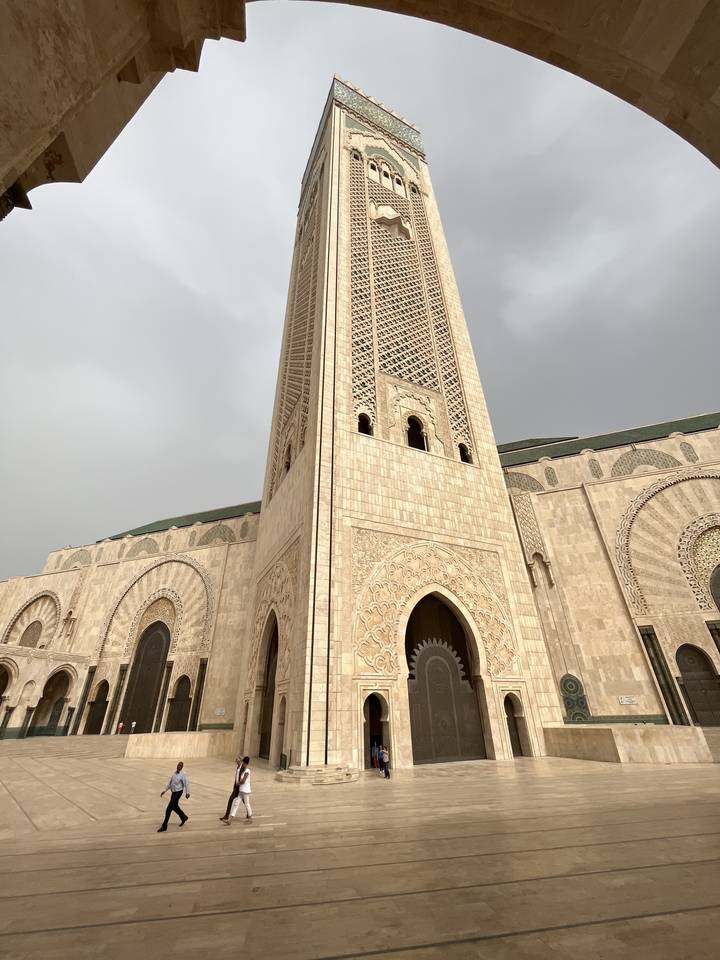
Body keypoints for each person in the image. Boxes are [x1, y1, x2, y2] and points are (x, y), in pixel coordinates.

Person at [158, 761, 190, 832]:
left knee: (168, 809)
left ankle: (164, 826)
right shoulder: (174, 773)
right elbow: (170, 782)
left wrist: (187, 793)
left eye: (180, 766)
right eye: (178, 765)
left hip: (178, 793)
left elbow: (186, 783)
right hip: (174, 793)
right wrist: (165, 790)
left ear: (182, 767)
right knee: (175, 807)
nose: (179, 766)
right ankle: (184, 817)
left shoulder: (183, 774)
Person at [222, 756, 252, 824]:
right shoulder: (243, 769)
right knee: (236, 804)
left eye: (243, 763)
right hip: (241, 790)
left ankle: (250, 818)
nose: (243, 764)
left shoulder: (247, 770)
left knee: (247, 804)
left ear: (245, 763)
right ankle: (230, 820)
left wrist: (238, 783)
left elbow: (243, 780)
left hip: (245, 790)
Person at [219, 756, 244, 823]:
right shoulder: (238, 767)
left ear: (240, 760)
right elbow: (236, 778)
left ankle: (249, 814)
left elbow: (243, 779)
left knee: (246, 802)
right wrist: (234, 786)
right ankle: (227, 815)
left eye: (237, 759)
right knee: (230, 800)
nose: (236, 760)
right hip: (236, 788)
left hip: (241, 788)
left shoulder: (243, 768)